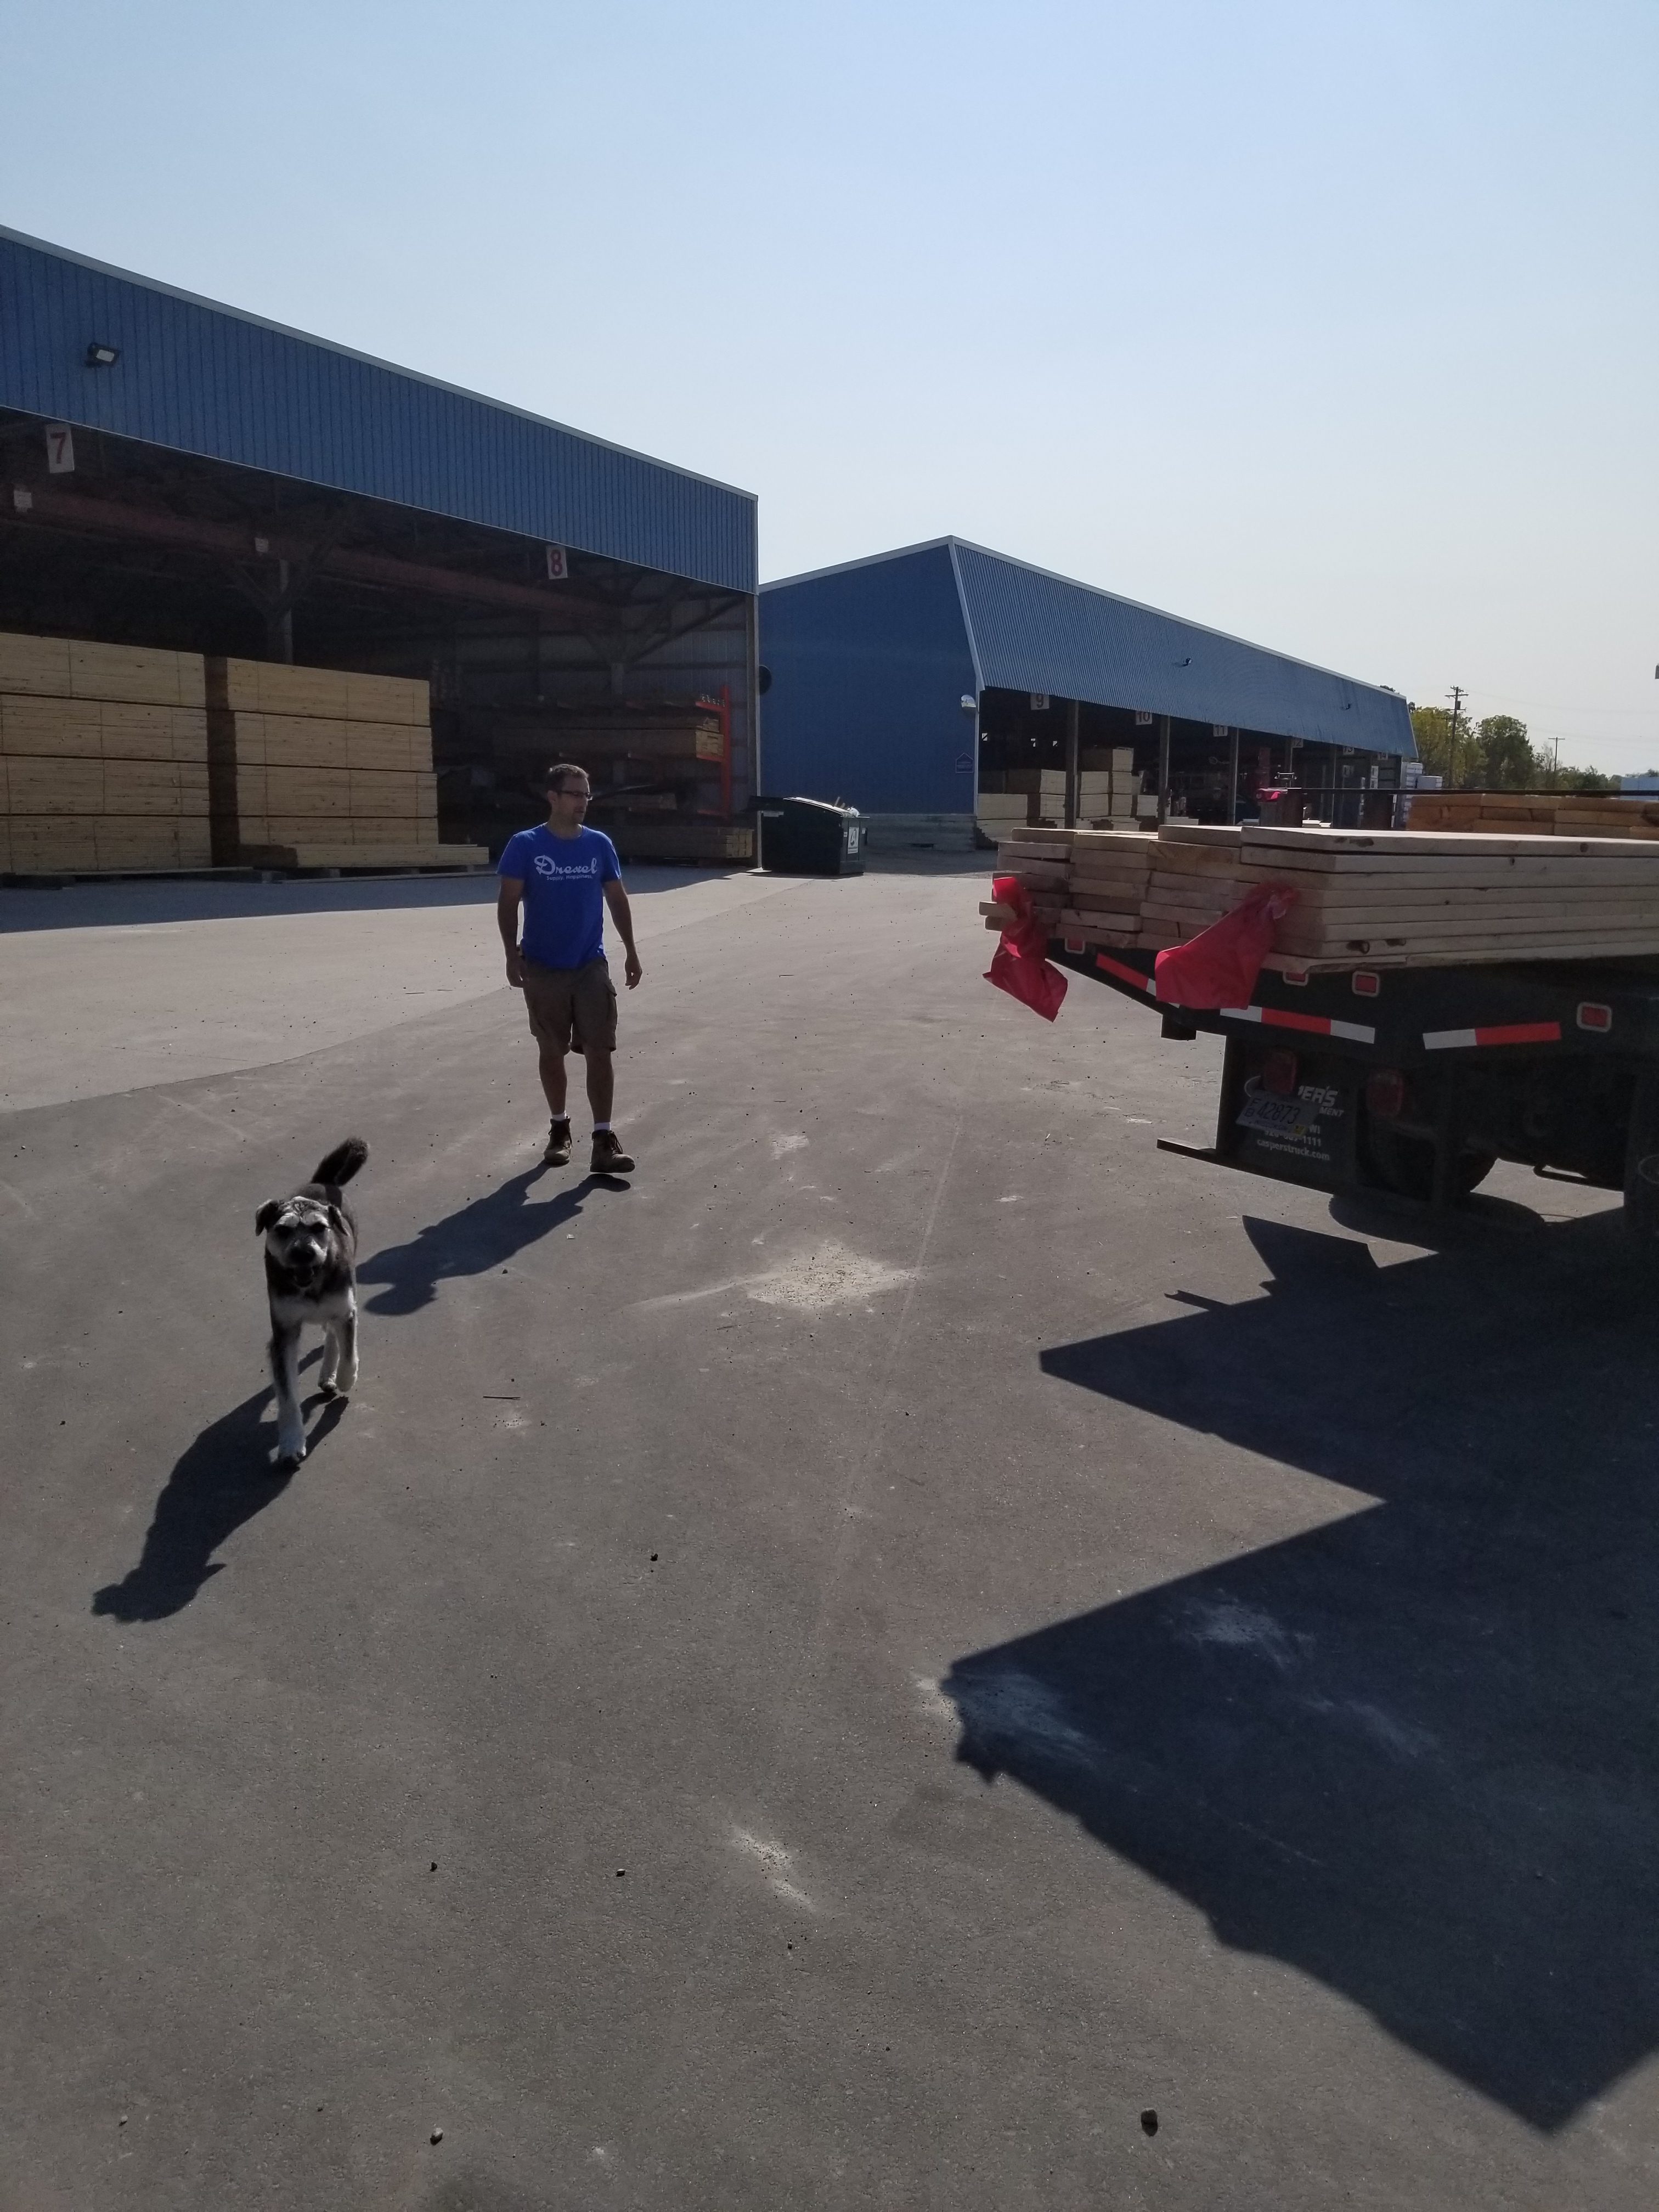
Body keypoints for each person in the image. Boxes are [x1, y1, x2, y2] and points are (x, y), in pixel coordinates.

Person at [496, 763, 643, 1173]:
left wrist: (631, 950)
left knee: (600, 1048)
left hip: (589, 964)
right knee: (552, 1051)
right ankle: (559, 1129)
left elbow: (617, 898)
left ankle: (603, 1141)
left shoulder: (599, 844)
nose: (583, 802)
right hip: (543, 967)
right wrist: (510, 954)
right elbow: (508, 903)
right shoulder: (525, 845)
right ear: (553, 797)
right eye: (575, 794)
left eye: (587, 794)